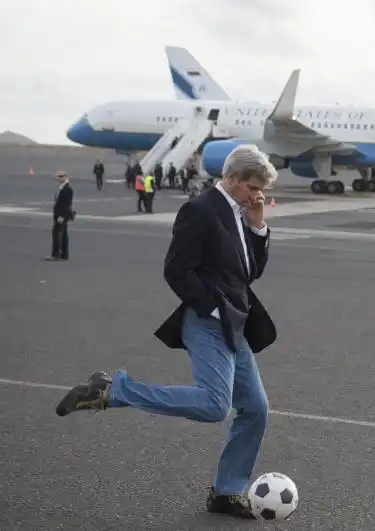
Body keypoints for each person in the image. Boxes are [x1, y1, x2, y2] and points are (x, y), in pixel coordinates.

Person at [54, 145, 280, 519]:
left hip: (235, 323)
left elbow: (248, 272)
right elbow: (176, 270)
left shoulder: (240, 213)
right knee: (214, 405)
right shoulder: (201, 209)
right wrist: (210, 306)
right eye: (253, 187)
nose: (258, 195)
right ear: (233, 178)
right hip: (208, 322)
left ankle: (227, 492)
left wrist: (258, 227)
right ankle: (113, 390)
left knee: (255, 409)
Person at [47, 171, 73, 261]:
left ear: (66, 177)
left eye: (61, 176)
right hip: (59, 213)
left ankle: (55, 254)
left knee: (56, 233)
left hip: (62, 214)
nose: (58, 178)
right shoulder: (62, 187)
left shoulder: (67, 188)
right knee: (63, 234)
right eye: (58, 176)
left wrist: (61, 216)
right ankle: (64, 254)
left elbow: (66, 204)